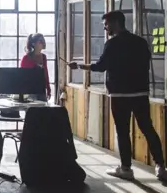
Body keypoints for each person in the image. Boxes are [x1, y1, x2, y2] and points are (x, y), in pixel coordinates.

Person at [69, 10, 166, 182]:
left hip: (120, 94)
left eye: (106, 24)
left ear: (115, 23)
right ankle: (161, 166)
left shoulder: (112, 44)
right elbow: (146, 63)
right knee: (148, 129)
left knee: (122, 131)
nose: (105, 28)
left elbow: (100, 66)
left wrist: (79, 66)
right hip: (140, 93)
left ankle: (126, 169)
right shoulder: (141, 42)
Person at [20, 33, 51, 101]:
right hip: (29, 91)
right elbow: (22, 76)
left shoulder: (44, 57)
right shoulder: (26, 58)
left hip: (41, 90)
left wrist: (48, 88)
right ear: (34, 44)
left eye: (43, 40)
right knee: (31, 111)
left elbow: (45, 73)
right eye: (40, 41)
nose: (43, 43)